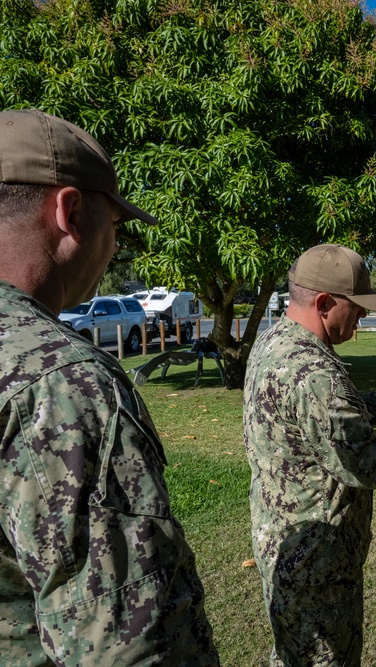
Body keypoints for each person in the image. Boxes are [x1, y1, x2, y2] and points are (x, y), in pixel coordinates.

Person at [0, 109, 219, 663]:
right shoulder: (62, 382)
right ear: (70, 212)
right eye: (115, 226)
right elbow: (128, 641)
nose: (116, 247)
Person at [244, 244, 376, 665]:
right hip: (318, 565)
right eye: (356, 307)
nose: (364, 316)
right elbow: (373, 464)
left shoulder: (278, 343)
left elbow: (335, 419)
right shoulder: (313, 374)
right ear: (323, 303)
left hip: (286, 543)